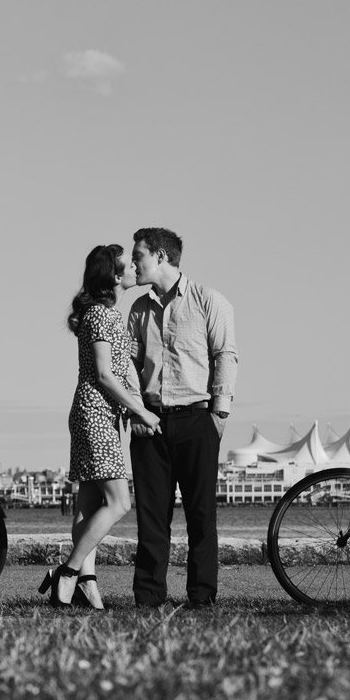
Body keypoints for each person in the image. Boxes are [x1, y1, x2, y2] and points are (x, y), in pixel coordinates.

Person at [42, 245, 163, 609]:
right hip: (95, 415)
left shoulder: (105, 314)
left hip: (94, 414)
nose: (133, 271)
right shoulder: (102, 316)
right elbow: (105, 375)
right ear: (114, 276)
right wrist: (140, 411)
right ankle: (68, 571)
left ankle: (85, 583)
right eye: (127, 267)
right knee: (120, 502)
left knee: (90, 504)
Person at [125, 227, 237, 608]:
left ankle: (202, 596)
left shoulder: (210, 301)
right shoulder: (139, 308)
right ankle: (148, 596)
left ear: (159, 256)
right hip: (149, 422)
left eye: (137, 254)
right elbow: (128, 366)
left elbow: (225, 356)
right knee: (150, 518)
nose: (131, 262)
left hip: (197, 419)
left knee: (201, 515)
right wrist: (135, 411)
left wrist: (218, 414)